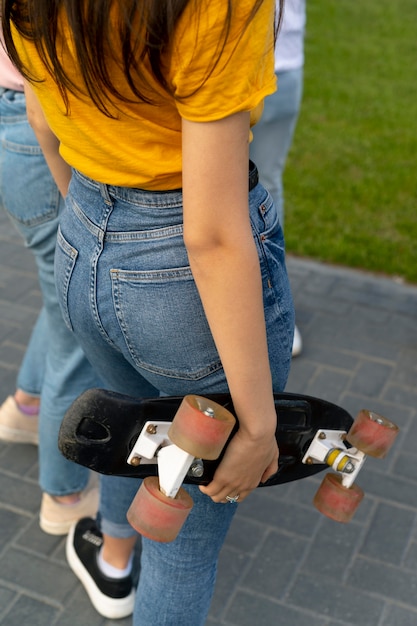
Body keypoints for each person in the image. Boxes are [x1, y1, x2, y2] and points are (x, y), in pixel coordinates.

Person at [3, 1, 294, 623]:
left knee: (134, 425)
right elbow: (211, 234)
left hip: (84, 222)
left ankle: (113, 561)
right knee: (186, 540)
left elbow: (41, 120)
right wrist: (261, 427)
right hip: (182, 262)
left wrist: (101, 244)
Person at [0, 35, 100, 534]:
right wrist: (82, 216)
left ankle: (26, 405)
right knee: (78, 333)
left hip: (17, 115)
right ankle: (64, 494)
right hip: (42, 126)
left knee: (62, 297)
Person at [250, 0, 306, 357]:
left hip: (272, 62)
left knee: (264, 189)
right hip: (264, 62)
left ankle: (272, 311)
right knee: (263, 188)